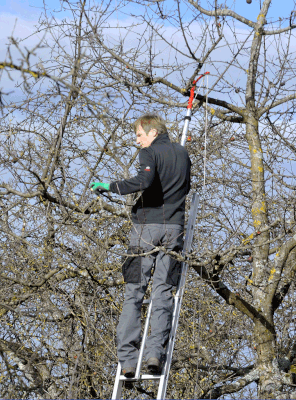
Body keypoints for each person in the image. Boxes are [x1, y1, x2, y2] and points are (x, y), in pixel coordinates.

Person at [90, 113, 191, 378]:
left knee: (134, 292)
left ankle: (128, 361)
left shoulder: (150, 153)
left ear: (153, 132)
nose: (137, 141)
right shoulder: (182, 153)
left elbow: (143, 181)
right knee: (162, 292)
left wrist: (109, 186)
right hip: (174, 230)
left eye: (139, 135)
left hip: (146, 229)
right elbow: (186, 187)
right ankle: (154, 354)